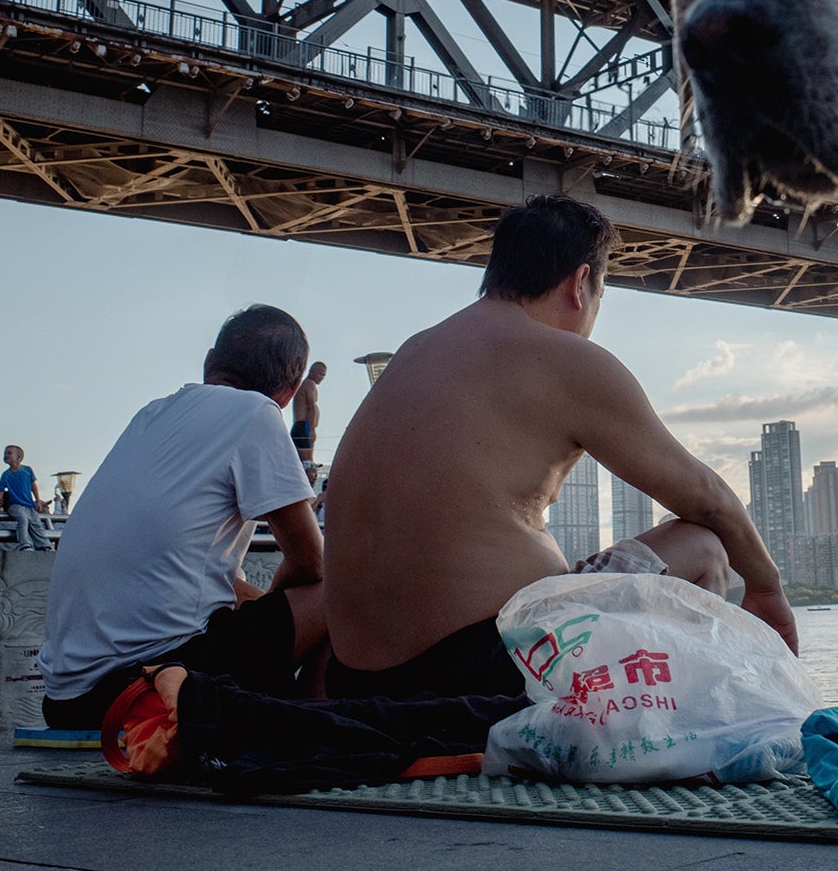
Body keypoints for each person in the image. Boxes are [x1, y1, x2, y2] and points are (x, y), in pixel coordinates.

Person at [323, 195, 797, 701]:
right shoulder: (566, 359)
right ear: (579, 282)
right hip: (481, 674)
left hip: (355, 684)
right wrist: (767, 588)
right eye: (601, 295)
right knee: (702, 546)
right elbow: (706, 497)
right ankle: (681, 720)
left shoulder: (414, 352)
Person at [37, 305, 327, 731]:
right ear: (290, 391)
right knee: (343, 590)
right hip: (154, 687)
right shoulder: (256, 413)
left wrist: (268, 608)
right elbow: (312, 565)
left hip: (68, 703)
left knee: (247, 598)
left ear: (210, 362)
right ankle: (314, 728)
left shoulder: (151, 415)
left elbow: (192, 576)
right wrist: (286, 609)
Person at [0, 445, 53, 551]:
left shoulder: (27, 470)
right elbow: (0, 492)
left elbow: (33, 486)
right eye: (5, 453)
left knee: (36, 522)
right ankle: (25, 543)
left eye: (9, 453)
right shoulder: (6, 475)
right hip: (14, 505)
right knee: (23, 519)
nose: (6, 455)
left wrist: (37, 501)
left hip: (29, 505)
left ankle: (43, 544)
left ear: (19, 457)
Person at [291, 361, 327, 463]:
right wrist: (311, 430)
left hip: (300, 426)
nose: (321, 378)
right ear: (312, 371)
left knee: (299, 462)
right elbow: (311, 408)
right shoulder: (309, 384)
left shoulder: (306, 384)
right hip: (304, 426)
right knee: (308, 463)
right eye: (320, 374)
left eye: (323, 375)